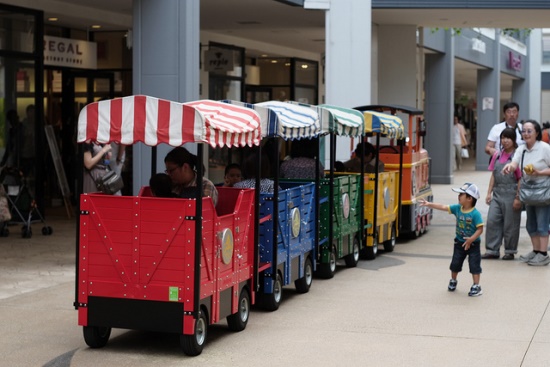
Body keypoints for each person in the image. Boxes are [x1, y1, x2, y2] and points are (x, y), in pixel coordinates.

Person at [419, 183, 484, 297]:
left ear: (469, 198)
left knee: (474, 265)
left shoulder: (475, 214)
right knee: (455, 263)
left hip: (473, 245)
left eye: (461, 195)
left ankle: (476, 285)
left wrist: (471, 239)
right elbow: (444, 207)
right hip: (459, 243)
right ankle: (453, 280)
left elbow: (480, 229)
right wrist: (429, 204)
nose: (458, 196)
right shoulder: (457, 208)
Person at [502, 120, 550, 266]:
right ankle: (535, 251)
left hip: (543, 190)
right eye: (524, 131)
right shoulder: (521, 149)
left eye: (529, 131)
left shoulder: (544, 148)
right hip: (528, 190)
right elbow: (514, 163)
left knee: (542, 224)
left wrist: (539, 172)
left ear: (537, 133)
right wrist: (508, 167)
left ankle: (543, 254)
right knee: (531, 224)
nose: (526, 134)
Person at [482, 128, 522, 260]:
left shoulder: (517, 157)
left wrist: (517, 197)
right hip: (497, 193)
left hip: (512, 192)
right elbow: (494, 175)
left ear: (514, 140)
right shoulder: (496, 155)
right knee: (493, 220)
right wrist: (489, 193)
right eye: (503, 137)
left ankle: (510, 251)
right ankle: (492, 250)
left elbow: (520, 179)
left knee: (510, 224)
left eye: (508, 138)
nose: (505, 141)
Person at [20, 104, 36, 177]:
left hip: (35, 153)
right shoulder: (24, 124)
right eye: (30, 112)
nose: (32, 114)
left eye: (33, 112)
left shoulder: (37, 124)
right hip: (25, 153)